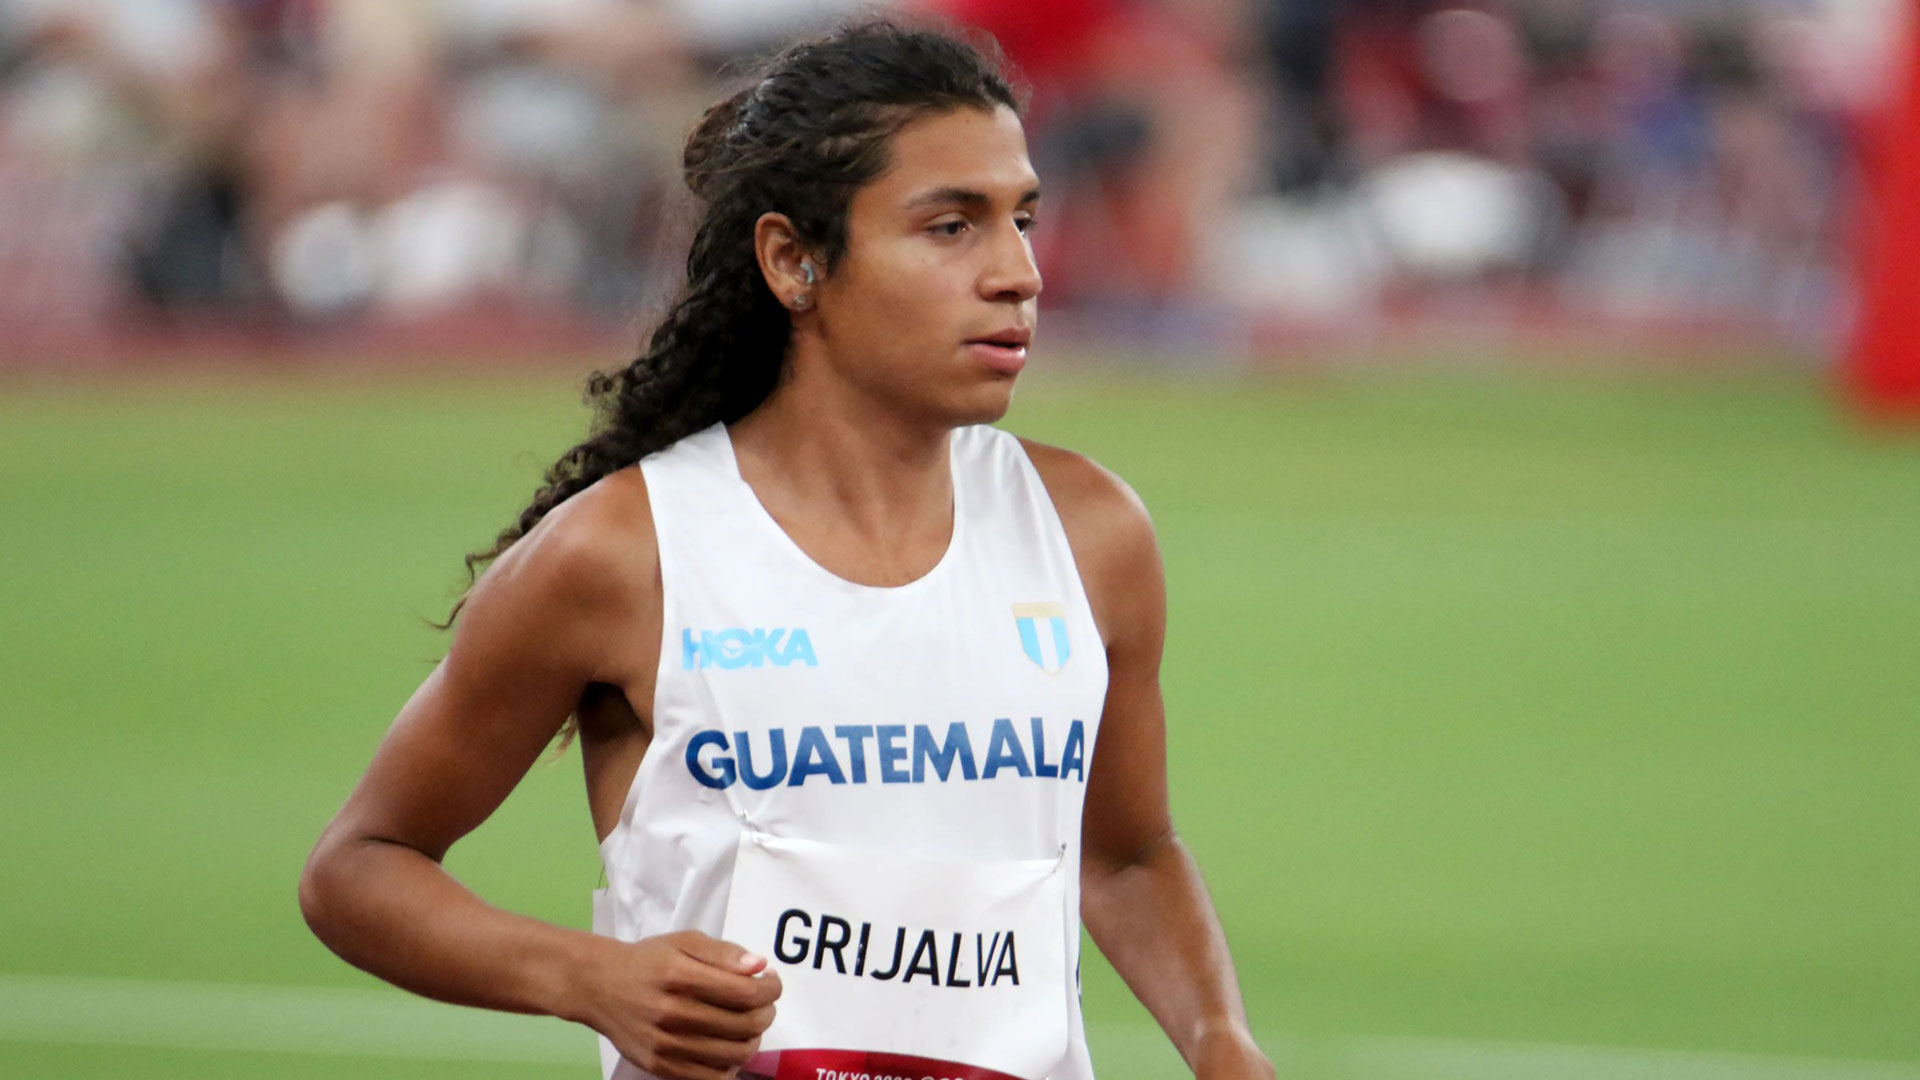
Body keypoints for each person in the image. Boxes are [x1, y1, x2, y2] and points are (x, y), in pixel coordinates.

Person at [299, 19, 1272, 1080]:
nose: (1019, 274)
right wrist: (588, 977)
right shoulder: (625, 553)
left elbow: (1127, 856)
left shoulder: (1090, 533)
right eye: (951, 227)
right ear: (793, 260)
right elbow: (360, 867)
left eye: (1023, 219)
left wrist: (1220, 1042)